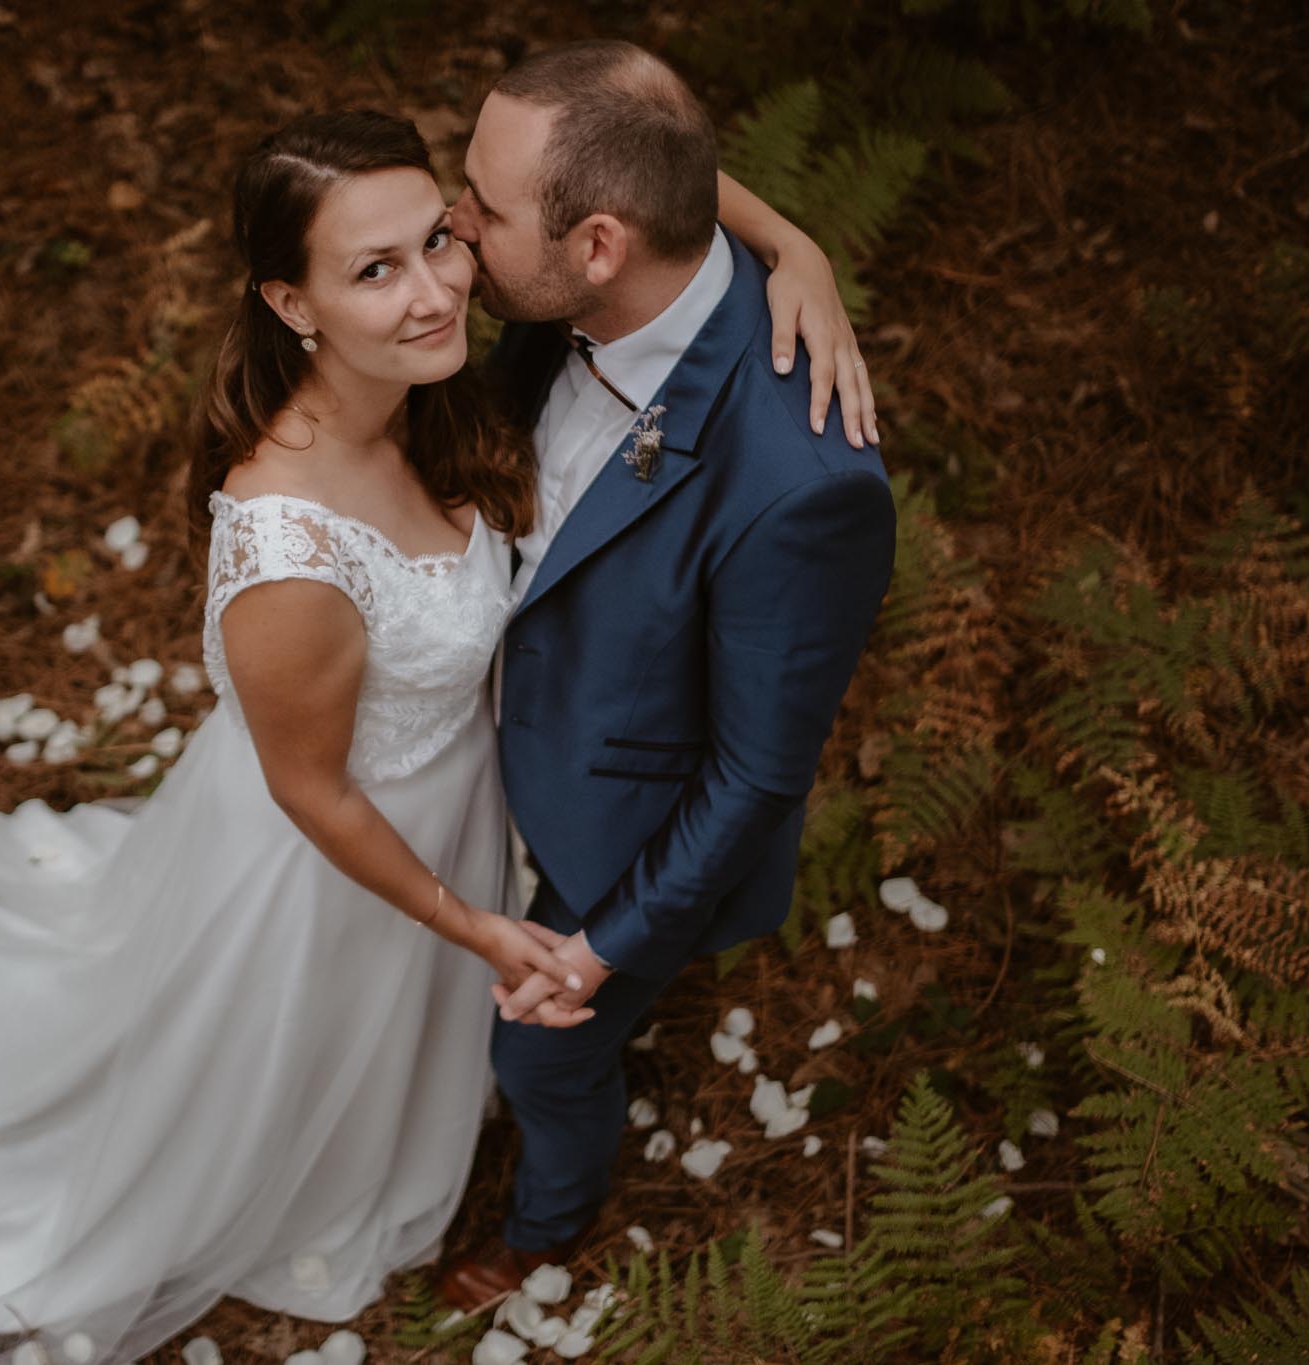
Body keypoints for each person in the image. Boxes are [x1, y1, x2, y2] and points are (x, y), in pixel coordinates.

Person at [0, 103, 868, 1364]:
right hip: (334, 858)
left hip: (458, 793)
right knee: (278, 1057)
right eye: (373, 270)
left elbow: (635, 177)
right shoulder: (286, 554)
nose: (437, 289)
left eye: (440, 237)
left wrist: (791, 247)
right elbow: (313, 796)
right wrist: (473, 923)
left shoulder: (429, 386)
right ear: (291, 301)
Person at [431, 41, 898, 1311]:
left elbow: (755, 771)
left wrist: (599, 947)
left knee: (543, 1063)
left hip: (619, 830)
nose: (449, 219)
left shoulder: (804, 490)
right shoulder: (602, 271)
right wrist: (796, 236)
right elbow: (681, 171)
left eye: (479, 202)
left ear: (594, 247)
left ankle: (545, 1224)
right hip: (495, 728)